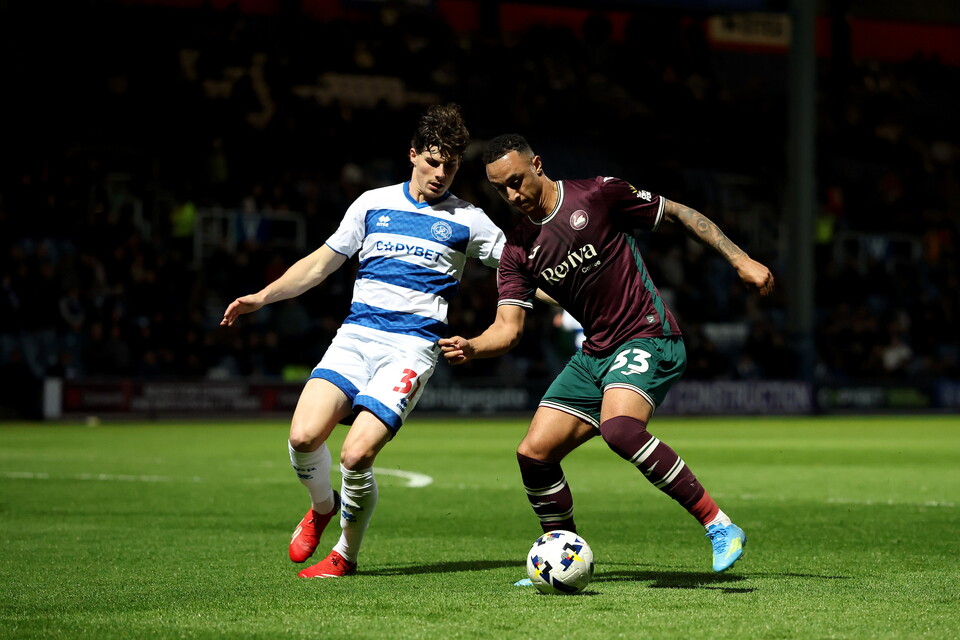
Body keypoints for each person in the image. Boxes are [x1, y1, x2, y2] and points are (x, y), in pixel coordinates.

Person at [439, 134, 774, 574]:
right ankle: (563, 558)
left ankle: (719, 525)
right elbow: (508, 329)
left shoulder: (597, 194)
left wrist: (740, 259)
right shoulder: (518, 250)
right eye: (500, 189)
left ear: (538, 164)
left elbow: (676, 211)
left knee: (620, 430)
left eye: (517, 181)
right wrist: (473, 346)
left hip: (647, 335)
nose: (512, 195)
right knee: (534, 455)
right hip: (595, 355)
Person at [221, 104, 505, 578]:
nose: (440, 174)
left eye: (450, 166)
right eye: (432, 162)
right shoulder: (372, 204)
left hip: (412, 348)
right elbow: (319, 264)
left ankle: (344, 557)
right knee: (302, 436)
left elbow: (518, 271)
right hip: (355, 337)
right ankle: (322, 505)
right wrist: (263, 297)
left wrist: (573, 287)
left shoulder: (470, 220)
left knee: (356, 454)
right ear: (412, 155)